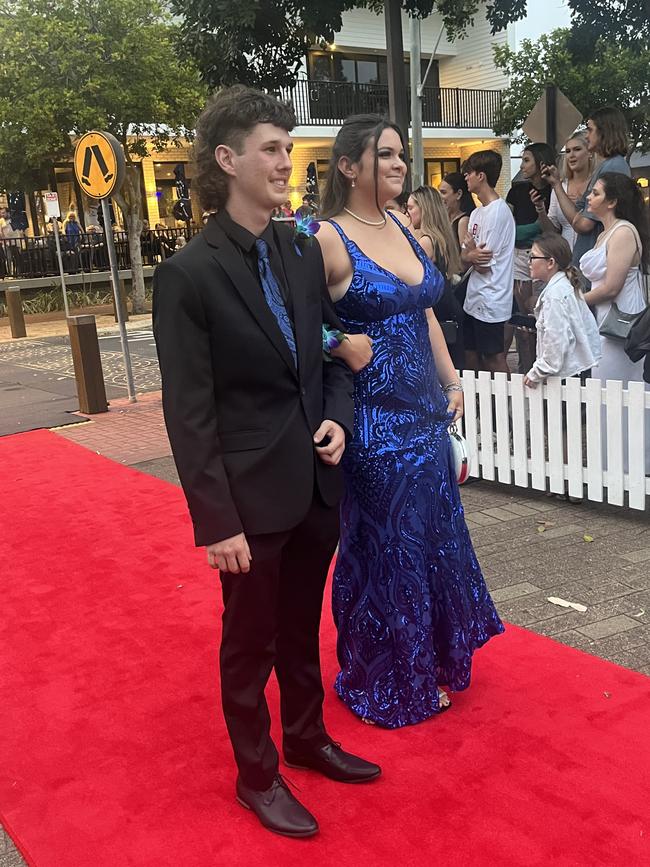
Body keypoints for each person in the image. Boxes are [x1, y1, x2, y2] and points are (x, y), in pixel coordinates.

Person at [153, 86, 380, 840]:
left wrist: (339, 422)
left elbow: (333, 358)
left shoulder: (299, 248)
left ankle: (306, 737)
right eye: (271, 149)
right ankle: (257, 775)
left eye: (289, 147)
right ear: (228, 159)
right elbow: (189, 413)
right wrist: (215, 520)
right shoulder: (190, 273)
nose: (288, 161)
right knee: (248, 643)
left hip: (315, 482)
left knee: (301, 626)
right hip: (248, 500)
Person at [316, 113, 504, 729]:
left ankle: (432, 659)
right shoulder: (325, 237)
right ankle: (392, 675)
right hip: (372, 422)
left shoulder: (403, 226)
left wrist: (452, 382)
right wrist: (338, 343)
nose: (401, 165)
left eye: (401, 155)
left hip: (424, 416)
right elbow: (290, 322)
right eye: (387, 155)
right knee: (388, 549)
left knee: (431, 544)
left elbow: (424, 318)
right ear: (349, 166)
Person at [579, 172, 650, 470]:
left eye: (595, 193)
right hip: (603, 317)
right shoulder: (603, 234)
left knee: (622, 389)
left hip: (622, 320)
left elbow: (612, 286)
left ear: (612, 201)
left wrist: (573, 303)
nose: (588, 197)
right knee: (604, 388)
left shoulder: (623, 232)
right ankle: (610, 463)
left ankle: (633, 464)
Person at [541, 106, 631, 266]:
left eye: (590, 130)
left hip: (598, 268)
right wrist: (557, 185)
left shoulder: (613, 168)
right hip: (587, 264)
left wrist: (578, 215)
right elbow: (578, 217)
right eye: (567, 151)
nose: (587, 136)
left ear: (604, 132)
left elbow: (583, 224)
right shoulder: (606, 167)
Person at [461, 150, 516, 374]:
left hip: (492, 297)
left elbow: (483, 263)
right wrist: (470, 254)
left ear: (481, 176)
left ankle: (509, 404)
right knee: (471, 354)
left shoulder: (498, 212)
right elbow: (465, 257)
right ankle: (483, 403)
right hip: (473, 297)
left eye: (469, 172)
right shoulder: (476, 214)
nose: (465, 177)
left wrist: (471, 253)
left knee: (493, 357)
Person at [523, 232, 601, 388]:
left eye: (533, 257)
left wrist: (536, 373)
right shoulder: (565, 285)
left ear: (550, 262)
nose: (529, 262)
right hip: (577, 370)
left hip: (565, 377)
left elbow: (556, 342)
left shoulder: (555, 295)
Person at [505, 143, 556, 375]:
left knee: (540, 314)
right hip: (518, 256)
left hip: (544, 257)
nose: (523, 165)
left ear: (540, 162)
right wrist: (529, 230)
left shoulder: (554, 191)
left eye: (527, 160)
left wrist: (529, 228)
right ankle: (526, 366)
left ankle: (542, 366)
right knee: (522, 318)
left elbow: (551, 229)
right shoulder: (516, 190)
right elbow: (507, 228)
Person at [407, 185, 465, 369]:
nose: (407, 213)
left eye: (410, 208)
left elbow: (406, 274)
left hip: (438, 312)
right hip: (447, 307)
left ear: (424, 209)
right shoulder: (438, 237)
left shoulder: (425, 241)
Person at [534, 133, 592, 251]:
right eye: (568, 151)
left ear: (590, 152)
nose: (571, 155)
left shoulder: (597, 185)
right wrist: (541, 210)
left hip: (591, 252)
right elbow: (552, 230)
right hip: (566, 255)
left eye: (577, 149)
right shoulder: (560, 186)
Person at [438, 171, 474, 255]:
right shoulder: (445, 218)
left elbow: (465, 256)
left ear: (458, 194)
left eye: (443, 192)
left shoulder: (463, 221)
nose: (439, 196)